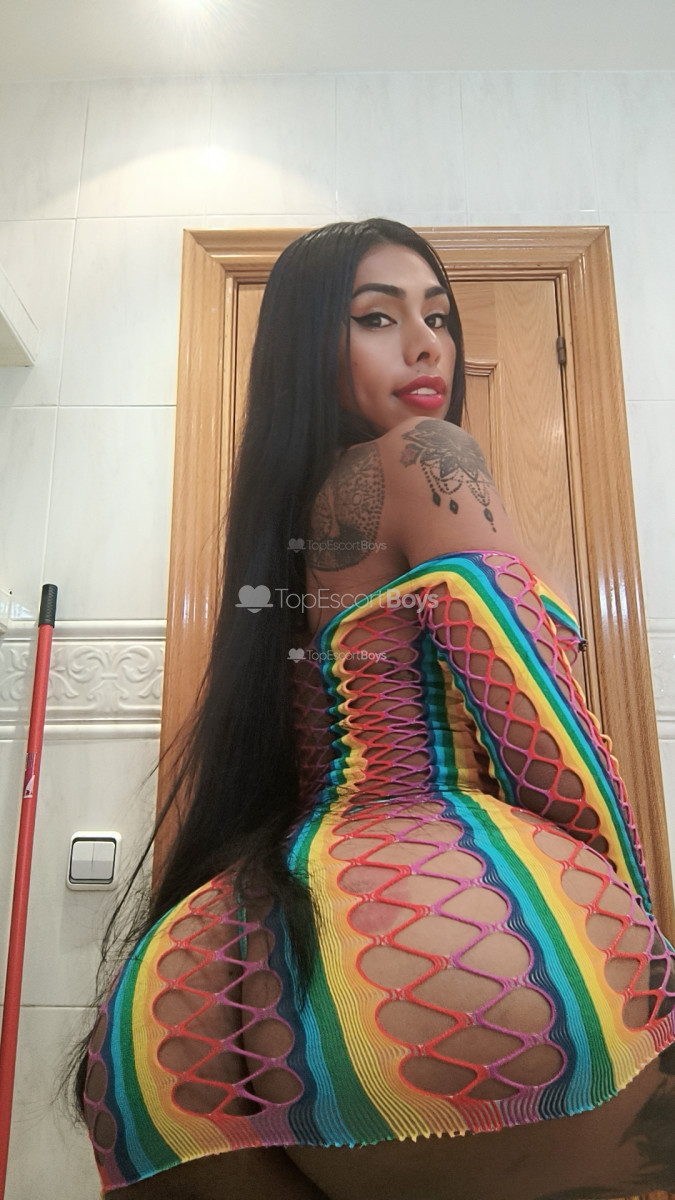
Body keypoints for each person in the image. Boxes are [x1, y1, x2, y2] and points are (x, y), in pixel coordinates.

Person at [75, 219, 675, 1200]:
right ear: (310, 343)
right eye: (377, 318)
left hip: (200, 999)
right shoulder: (427, 454)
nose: (427, 344)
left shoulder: (297, 517)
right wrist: (638, 929)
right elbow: (535, 707)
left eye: (438, 316)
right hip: (452, 944)